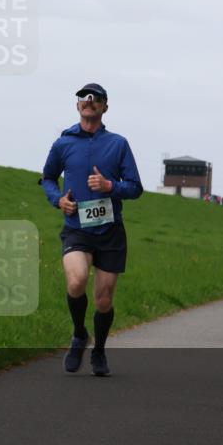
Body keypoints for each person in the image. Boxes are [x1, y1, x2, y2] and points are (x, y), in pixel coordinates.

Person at [42, 83, 143, 377]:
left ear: (104, 107)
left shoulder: (118, 144)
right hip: (77, 228)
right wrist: (58, 200)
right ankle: (78, 334)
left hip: (110, 230)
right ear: (77, 106)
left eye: (95, 98)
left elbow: (135, 188)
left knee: (103, 300)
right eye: (83, 98)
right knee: (76, 282)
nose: (89, 101)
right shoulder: (63, 143)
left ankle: (98, 350)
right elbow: (48, 178)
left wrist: (111, 186)